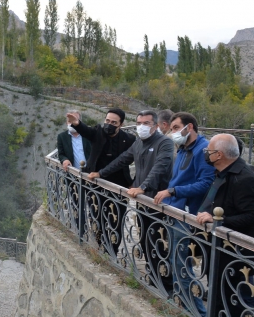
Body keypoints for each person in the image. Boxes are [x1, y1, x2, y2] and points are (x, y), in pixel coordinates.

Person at [89, 110, 174, 289]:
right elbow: (122, 160)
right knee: (145, 239)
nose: (142, 126)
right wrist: (101, 173)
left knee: (158, 240)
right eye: (139, 123)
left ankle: (166, 284)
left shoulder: (164, 142)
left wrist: (143, 186)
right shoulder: (138, 143)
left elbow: (160, 167)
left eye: (146, 123)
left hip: (158, 200)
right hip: (143, 200)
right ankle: (154, 277)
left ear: (156, 126)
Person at [196, 134, 254, 317]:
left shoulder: (244, 178)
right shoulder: (222, 172)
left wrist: (219, 220)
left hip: (234, 253)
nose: (206, 154)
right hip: (218, 248)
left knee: (233, 301)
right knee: (217, 296)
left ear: (219, 154)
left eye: (209, 151)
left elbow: (252, 216)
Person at [153, 112, 215, 317]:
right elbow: (176, 178)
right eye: (171, 128)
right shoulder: (183, 149)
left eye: (176, 127)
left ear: (189, 127)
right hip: (175, 210)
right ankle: (186, 303)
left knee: (182, 263)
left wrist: (173, 192)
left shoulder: (203, 150)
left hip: (188, 214)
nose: (173, 132)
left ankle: (198, 313)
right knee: (175, 261)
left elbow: (206, 183)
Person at [67, 108, 135, 254]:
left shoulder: (129, 139)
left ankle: (112, 252)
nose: (109, 124)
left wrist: (134, 182)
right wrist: (77, 124)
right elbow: (87, 131)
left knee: (116, 218)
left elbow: (136, 160)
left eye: (113, 122)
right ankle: (99, 247)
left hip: (118, 184)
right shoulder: (99, 131)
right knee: (97, 216)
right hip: (95, 182)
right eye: (107, 121)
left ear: (121, 124)